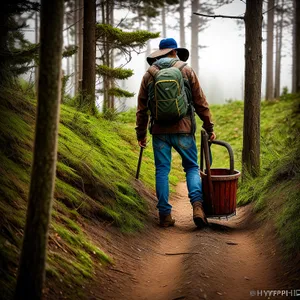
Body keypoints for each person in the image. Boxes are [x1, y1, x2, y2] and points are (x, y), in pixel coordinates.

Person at [135, 38, 216, 228]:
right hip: (184, 130)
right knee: (191, 167)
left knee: (162, 170)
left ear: (160, 53)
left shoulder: (150, 74)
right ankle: (197, 207)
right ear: (174, 52)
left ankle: (164, 215)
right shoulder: (186, 71)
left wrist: (141, 134)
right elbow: (200, 102)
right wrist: (209, 127)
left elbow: (142, 108)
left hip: (159, 132)